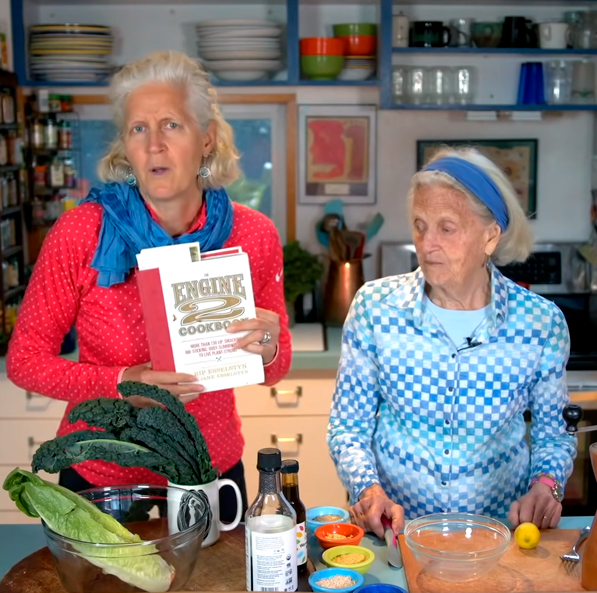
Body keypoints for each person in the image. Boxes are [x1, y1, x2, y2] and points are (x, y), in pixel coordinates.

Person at [7, 50, 291, 520]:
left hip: (209, 467)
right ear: (125, 145)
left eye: (172, 125)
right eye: (139, 128)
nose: (154, 143)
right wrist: (120, 384)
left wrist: (270, 347)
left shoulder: (253, 235)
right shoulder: (82, 233)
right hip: (102, 472)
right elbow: (24, 363)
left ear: (207, 139)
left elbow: (274, 368)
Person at [327, 147, 577, 538]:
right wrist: (368, 491)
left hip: (497, 536)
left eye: (447, 227)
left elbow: (553, 434)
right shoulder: (375, 309)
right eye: (420, 225)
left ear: (490, 236)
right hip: (397, 534)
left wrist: (546, 486)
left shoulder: (540, 324)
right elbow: (348, 427)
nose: (427, 244)